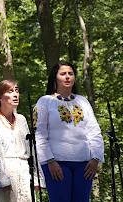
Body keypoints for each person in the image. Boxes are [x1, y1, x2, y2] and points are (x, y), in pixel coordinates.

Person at [34, 61, 104, 202]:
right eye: (63, 74)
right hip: (56, 163)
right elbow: (39, 133)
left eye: (70, 74)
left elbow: (94, 131)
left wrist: (96, 158)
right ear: (55, 78)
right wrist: (50, 161)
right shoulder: (44, 102)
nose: (67, 77)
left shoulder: (82, 101)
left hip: (84, 165)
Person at [0, 80, 44, 202]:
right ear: (0, 97)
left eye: (17, 91)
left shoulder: (21, 119)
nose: (15, 94)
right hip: (5, 175)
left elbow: (30, 148)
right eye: (10, 91)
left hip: (23, 174)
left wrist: (36, 177)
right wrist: (1, 179)